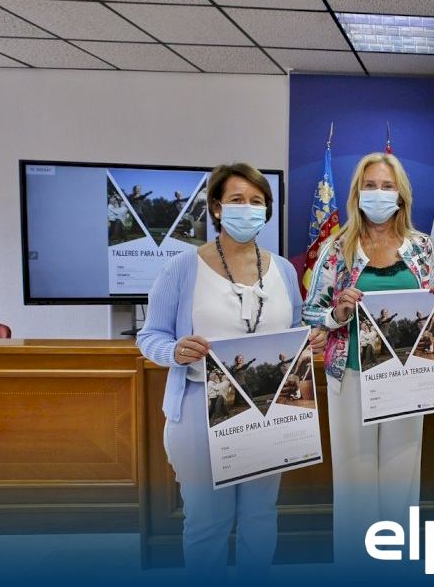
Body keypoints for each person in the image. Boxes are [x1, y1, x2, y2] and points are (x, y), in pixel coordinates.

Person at [137, 163, 323, 581]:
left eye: (256, 201)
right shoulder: (181, 268)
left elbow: (295, 326)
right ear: (217, 208)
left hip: (269, 411)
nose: (248, 208)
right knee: (208, 521)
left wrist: (306, 341)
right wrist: (174, 350)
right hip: (200, 409)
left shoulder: (284, 270)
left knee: (260, 516)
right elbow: (150, 337)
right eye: (237, 199)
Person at [302, 152, 434, 565]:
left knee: (402, 482)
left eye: (387, 186)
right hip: (351, 376)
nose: (379, 194)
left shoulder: (421, 247)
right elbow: (311, 313)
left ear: (401, 195)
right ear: (357, 193)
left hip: (406, 377)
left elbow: (425, 306)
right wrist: (338, 313)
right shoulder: (337, 248)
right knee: (357, 484)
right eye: (370, 186)